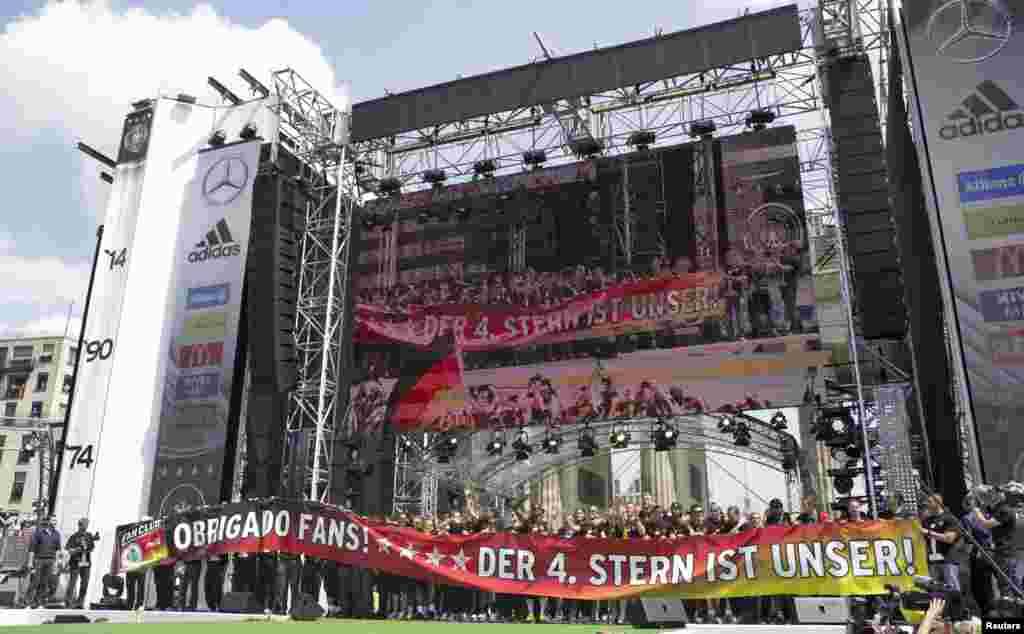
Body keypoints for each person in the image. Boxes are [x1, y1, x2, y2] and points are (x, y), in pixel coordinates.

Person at [922, 493, 962, 591]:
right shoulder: (926, 520)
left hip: (947, 560)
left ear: (938, 503)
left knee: (952, 591)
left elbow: (949, 538)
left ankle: (956, 606)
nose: (927, 504)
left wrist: (927, 532)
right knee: (936, 592)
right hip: (932, 562)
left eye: (929, 502)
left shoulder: (949, 518)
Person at [27, 516, 62, 608]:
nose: (55, 522)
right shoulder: (39, 533)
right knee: (35, 581)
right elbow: (32, 548)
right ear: (48, 522)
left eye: (56, 521)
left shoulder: (57, 534)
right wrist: (30, 562)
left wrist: (57, 562)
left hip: (50, 560)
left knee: (44, 583)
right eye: (53, 521)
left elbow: (58, 549)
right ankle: (27, 601)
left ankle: (38, 602)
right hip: (39, 560)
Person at [64, 518, 97, 608]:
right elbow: (68, 549)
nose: (86, 526)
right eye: (84, 524)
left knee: (85, 583)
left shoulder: (89, 535)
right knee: (72, 582)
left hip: (86, 563)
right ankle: (68, 602)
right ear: (79, 525)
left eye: (87, 524)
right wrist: (77, 549)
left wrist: (87, 547)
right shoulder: (74, 536)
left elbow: (92, 548)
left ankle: (80, 602)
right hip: (75, 562)